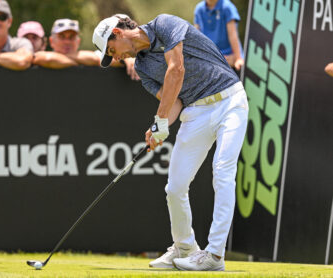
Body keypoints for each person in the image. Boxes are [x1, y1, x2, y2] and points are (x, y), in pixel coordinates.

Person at [92, 14, 248, 271]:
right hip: (196, 112)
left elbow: (177, 69)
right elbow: (172, 99)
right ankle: (185, 247)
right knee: (174, 188)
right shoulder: (142, 67)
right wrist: (157, 130)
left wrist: (160, 120)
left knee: (222, 173)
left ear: (118, 33)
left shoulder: (165, 24)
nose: (116, 57)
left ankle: (215, 256)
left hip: (230, 101)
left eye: (112, 50)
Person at [194, 0, 244, 70]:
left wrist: (238, 58)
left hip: (228, 59)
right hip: (209, 60)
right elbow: (196, 38)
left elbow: (233, 35)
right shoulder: (199, 9)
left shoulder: (227, 7)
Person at [33, 18, 100, 69]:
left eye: (71, 37)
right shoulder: (41, 55)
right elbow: (48, 59)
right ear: (51, 41)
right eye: (62, 37)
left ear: (78, 41)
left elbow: (94, 59)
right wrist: (77, 62)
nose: (67, 42)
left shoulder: (90, 55)